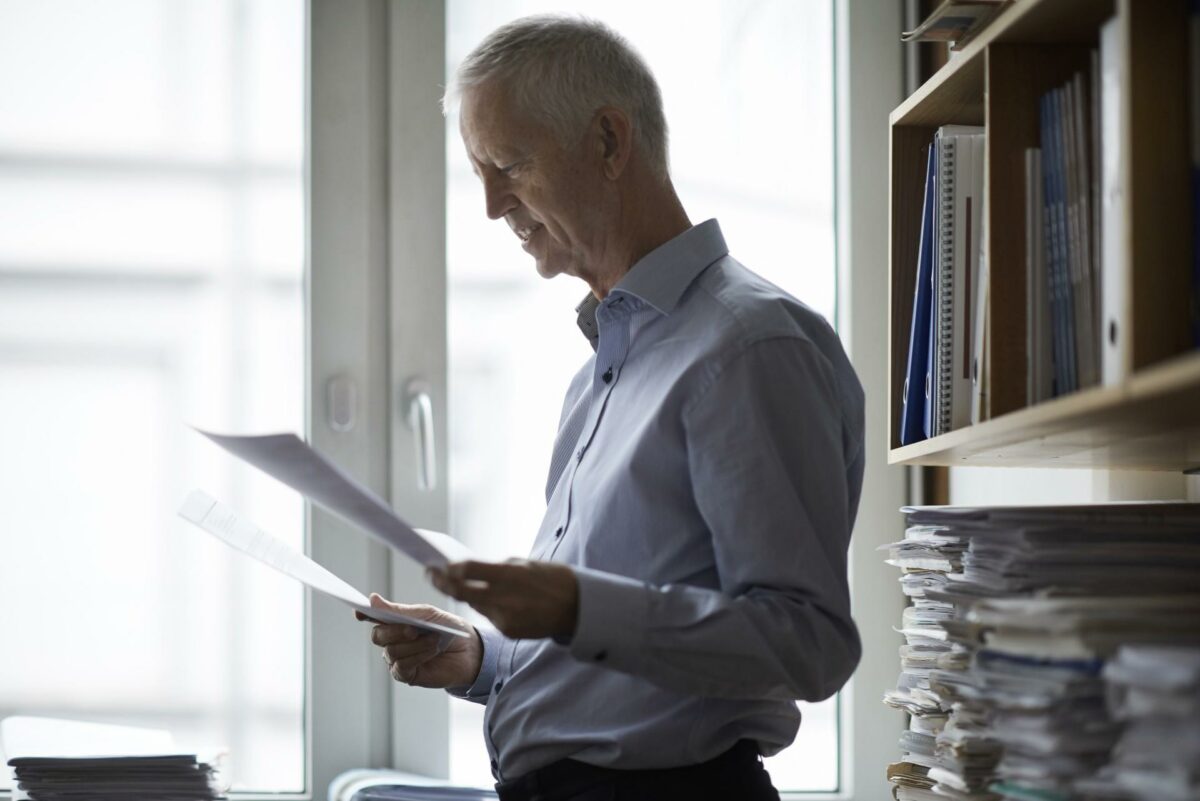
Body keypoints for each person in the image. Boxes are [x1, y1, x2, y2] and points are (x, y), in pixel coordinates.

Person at [363, 14, 865, 801]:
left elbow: (808, 645)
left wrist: (574, 605)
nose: (494, 205)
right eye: (480, 173)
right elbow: (610, 654)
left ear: (607, 142)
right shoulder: (603, 372)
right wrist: (483, 657)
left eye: (511, 164)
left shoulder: (749, 347)